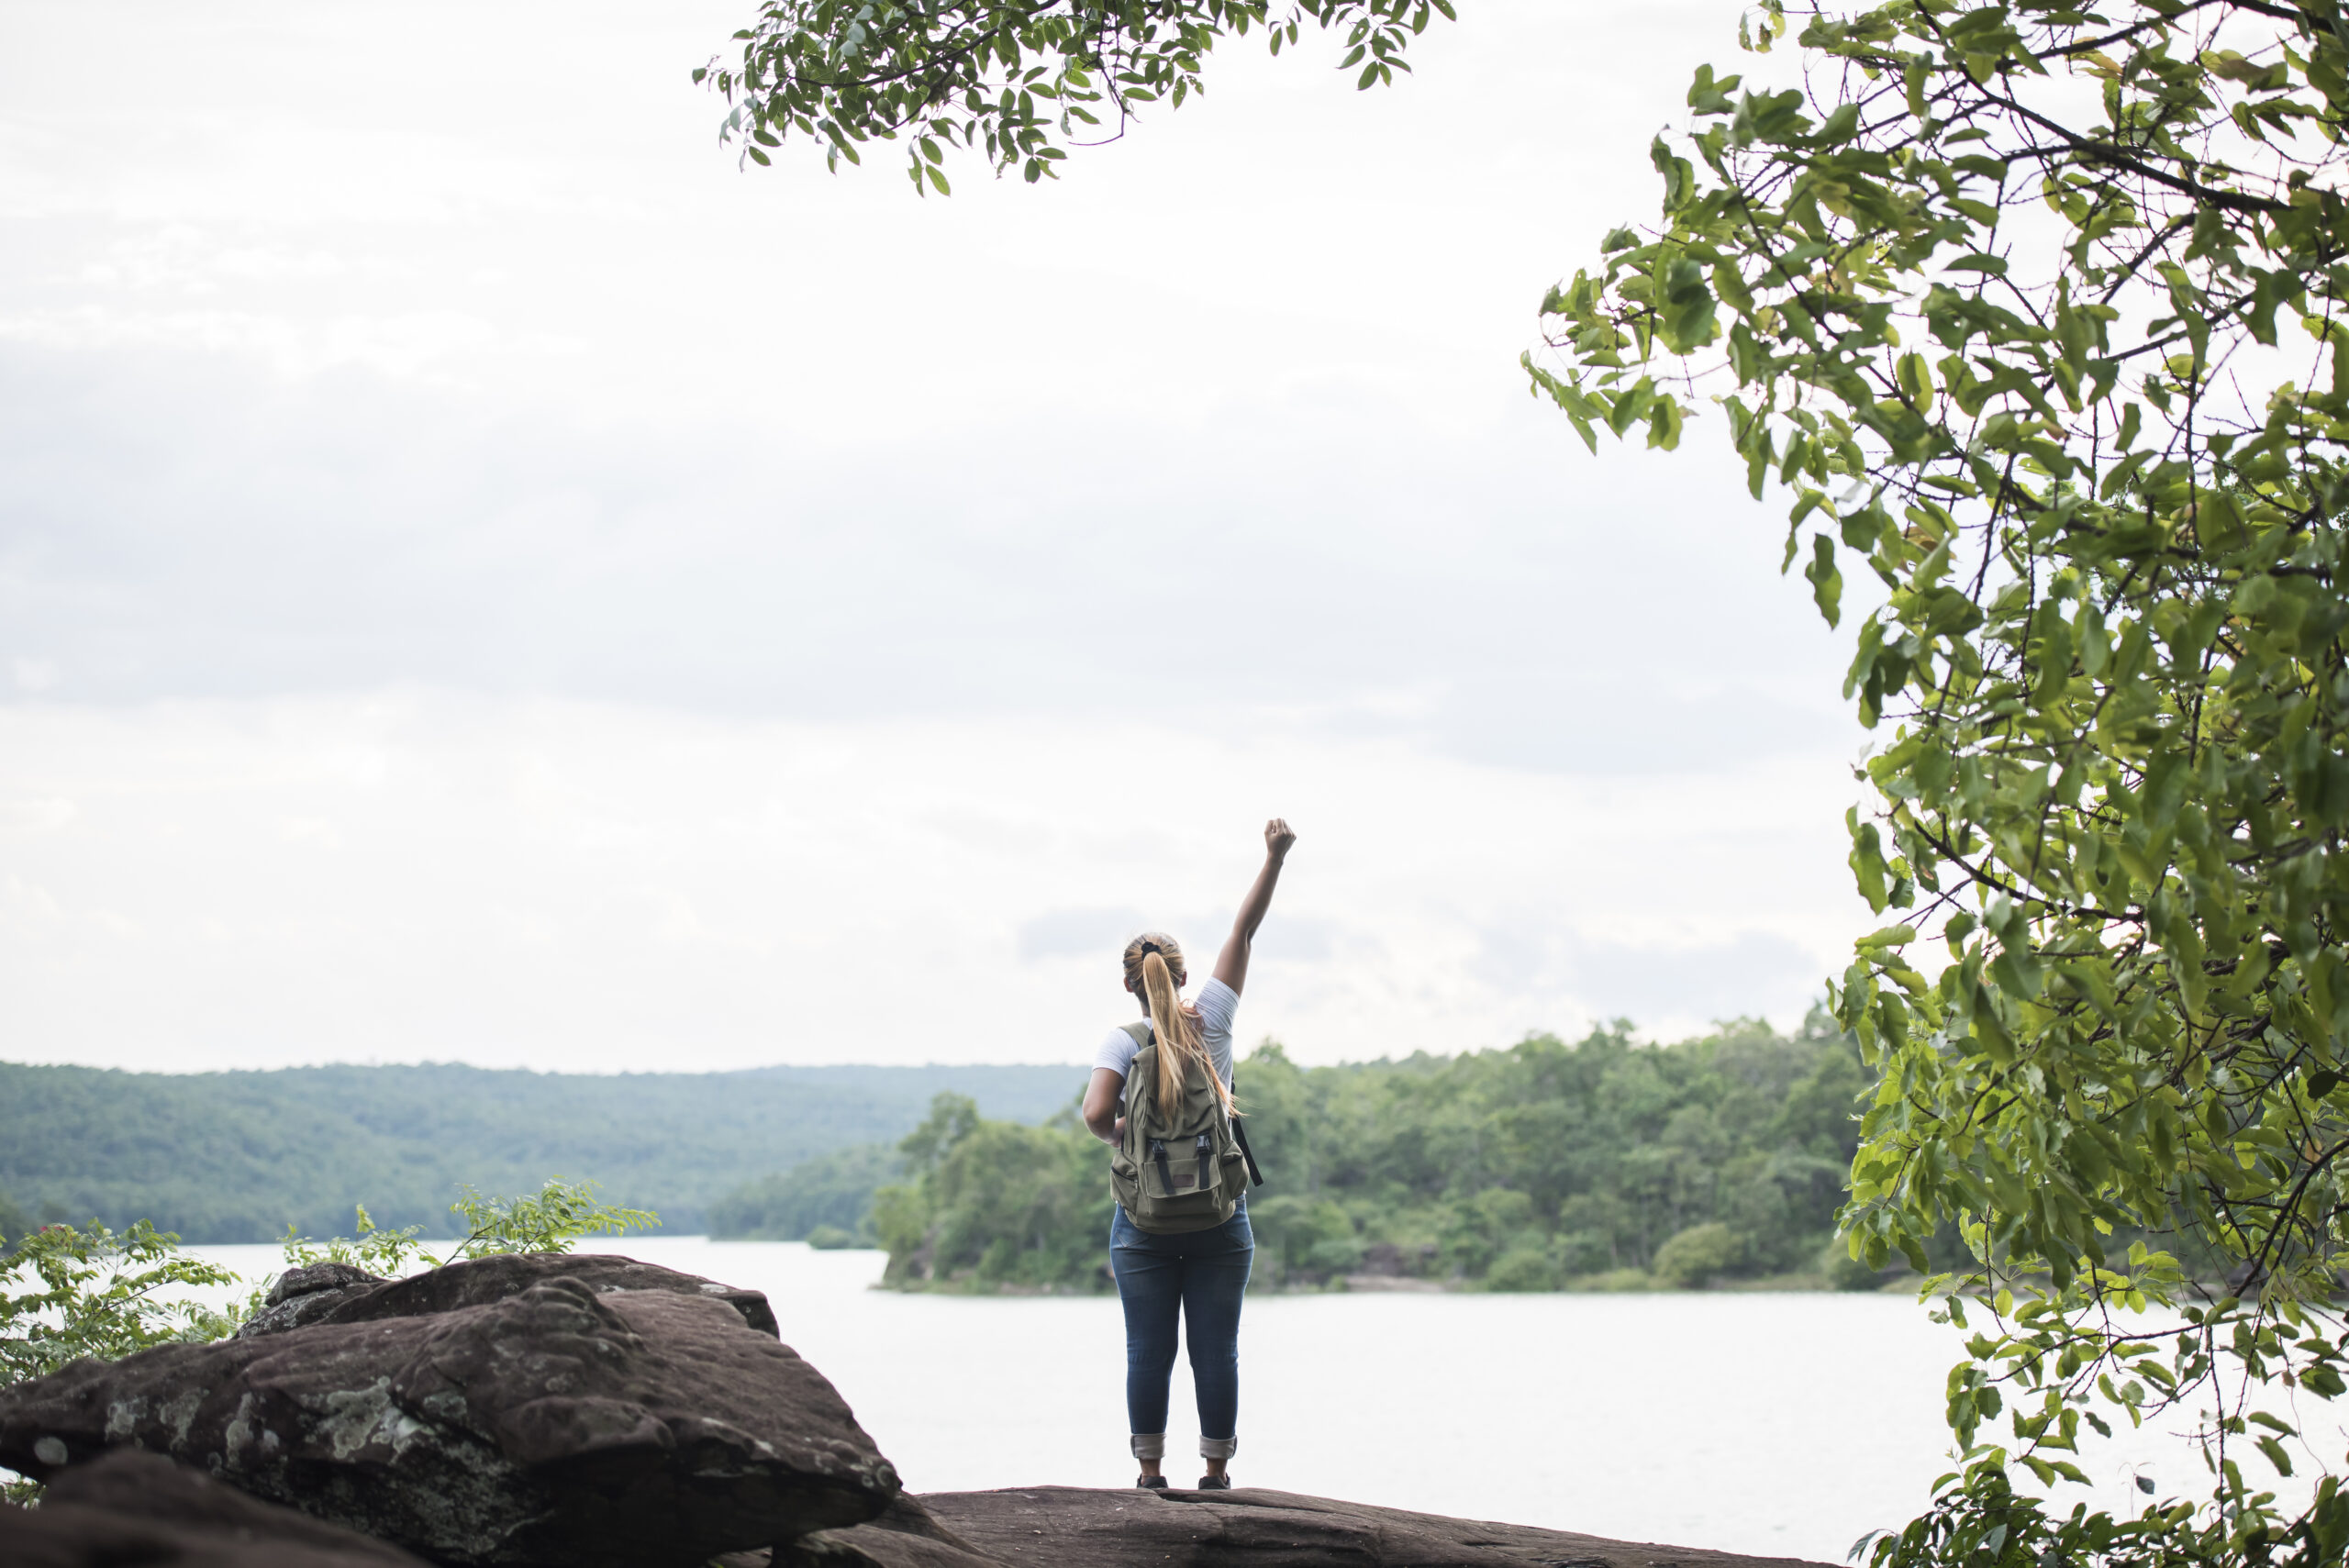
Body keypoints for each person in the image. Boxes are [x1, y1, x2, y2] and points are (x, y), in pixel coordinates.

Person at [1082, 817, 1297, 1493]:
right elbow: (1244, 932)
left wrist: (1132, 1142)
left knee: (1148, 1350)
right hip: (1218, 1219)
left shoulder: (1122, 1039)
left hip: (1142, 1224)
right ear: (1180, 975)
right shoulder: (1216, 1021)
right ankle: (1216, 1474)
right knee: (1216, 1352)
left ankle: (1150, 1475)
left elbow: (1094, 1115)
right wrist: (1274, 857)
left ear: (1130, 987)